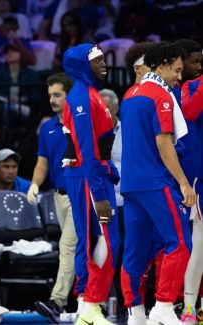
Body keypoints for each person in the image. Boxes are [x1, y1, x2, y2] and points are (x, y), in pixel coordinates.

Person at [119, 42, 195, 325]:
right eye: (177, 70)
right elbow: (163, 142)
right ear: (162, 64)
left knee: (135, 251)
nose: (180, 77)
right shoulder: (160, 95)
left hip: (131, 184)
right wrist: (184, 184)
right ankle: (163, 307)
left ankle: (135, 313)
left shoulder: (130, 94)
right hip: (155, 182)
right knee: (180, 243)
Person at [61, 44, 120, 325]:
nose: (103, 64)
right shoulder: (81, 97)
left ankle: (89, 307)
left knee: (107, 241)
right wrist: (98, 193)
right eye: (96, 60)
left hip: (96, 176)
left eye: (102, 59)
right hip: (88, 180)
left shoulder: (93, 94)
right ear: (81, 65)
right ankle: (89, 307)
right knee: (99, 240)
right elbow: (86, 149)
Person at [29, 73, 76, 323]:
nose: (52, 100)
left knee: (68, 247)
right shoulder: (47, 127)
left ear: (69, 96)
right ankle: (89, 301)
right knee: (78, 250)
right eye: (50, 96)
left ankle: (56, 301)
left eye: (57, 95)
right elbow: (42, 162)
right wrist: (35, 185)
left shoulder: (81, 123)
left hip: (81, 196)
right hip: (58, 196)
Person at [178, 40, 203, 325]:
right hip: (199, 174)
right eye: (194, 62)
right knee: (199, 241)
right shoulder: (191, 86)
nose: (197, 66)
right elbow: (190, 113)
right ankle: (188, 307)